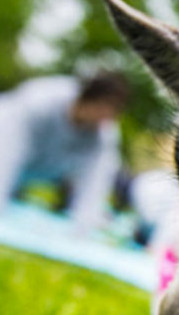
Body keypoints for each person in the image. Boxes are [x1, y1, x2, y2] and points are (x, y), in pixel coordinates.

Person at [0, 72, 129, 231]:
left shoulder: (103, 134)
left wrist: (83, 228)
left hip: (33, 167)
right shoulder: (41, 100)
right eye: (104, 108)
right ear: (89, 100)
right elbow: (6, 153)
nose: (107, 119)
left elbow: (97, 181)